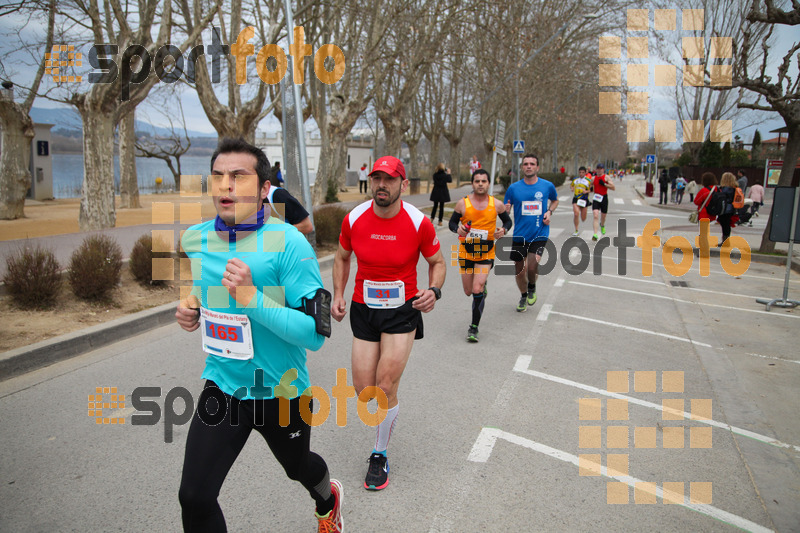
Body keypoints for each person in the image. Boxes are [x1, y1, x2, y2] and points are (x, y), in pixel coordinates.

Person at [174, 138, 343, 533]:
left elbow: (315, 335)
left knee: (298, 467)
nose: (225, 185)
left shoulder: (290, 244)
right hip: (224, 385)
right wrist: (191, 308)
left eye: (238, 176)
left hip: (282, 391)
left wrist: (251, 299)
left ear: (266, 189)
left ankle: (327, 497)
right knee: (194, 496)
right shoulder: (195, 239)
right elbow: (203, 288)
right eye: (218, 176)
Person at [332, 155, 446, 491]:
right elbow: (341, 256)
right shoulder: (354, 218)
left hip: (402, 311)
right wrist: (338, 293)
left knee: (384, 387)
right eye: (377, 178)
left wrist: (434, 291)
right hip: (363, 308)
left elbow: (437, 262)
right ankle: (382, 423)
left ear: (402, 184)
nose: (382, 185)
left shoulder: (417, 222)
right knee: (364, 390)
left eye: (390, 179)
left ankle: (379, 454)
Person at [449, 169, 513, 342]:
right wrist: (458, 229)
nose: (480, 184)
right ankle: (481, 288)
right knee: (468, 291)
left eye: (483, 181)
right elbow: (452, 223)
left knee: (476, 289)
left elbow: (508, 221)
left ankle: (474, 327)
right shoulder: (463, 204)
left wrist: (503, 230)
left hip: (486, 252)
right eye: (477, 181)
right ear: (472, 184)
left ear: (488, 184)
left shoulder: (496, 204)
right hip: (466, 252)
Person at [503, 153, 559, 312]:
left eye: (532, 164)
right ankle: (523, 295)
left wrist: (549, 212)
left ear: (537, 167)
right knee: (520, 271)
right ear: (522, 167)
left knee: (532, 266)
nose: (528, 166)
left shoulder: (547, 186)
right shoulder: (513, 188)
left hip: (539, 233)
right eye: (526, 164)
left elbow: (555, 200)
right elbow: (505, 208)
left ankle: (532, 286)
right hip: (520, 235)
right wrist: (505, 210)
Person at [591, 163, 615, 241]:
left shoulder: (606, 177)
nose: (599, 170)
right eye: (598, 168)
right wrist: (590, 189)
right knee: (595, 215)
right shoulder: (593, 178)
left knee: (603, 216)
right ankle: (595, 233)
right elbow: (590, 186)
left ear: (603, 169)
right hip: (596, 198)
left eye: (601, 168)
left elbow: (613, 188)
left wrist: (604, 184)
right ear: (596, 169)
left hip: (604, 197)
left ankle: (602, 225)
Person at [694, 172, 719, 249]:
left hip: (704, 214)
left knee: (703, 233)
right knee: (706, 231)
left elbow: (696, 201)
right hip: (713, 213)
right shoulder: (717, 189)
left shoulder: (704, 190)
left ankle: (703, 248)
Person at [718, 172, 741, 246]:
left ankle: (725, 241)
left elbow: (723, 198)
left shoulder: (726, 189)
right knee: (726, 224)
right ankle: (725, 240)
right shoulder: (734, 188)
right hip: (731, 208)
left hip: (725, 208)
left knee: (725, 224)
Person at [570, 166, 592, 236]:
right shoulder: (575, 180)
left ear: (585, 173)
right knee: (576, 214)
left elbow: (592, 190)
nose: (581, 174)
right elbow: (571, 185)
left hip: (584, 199)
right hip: (576, 198)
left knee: (583, 218)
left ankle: (583, 215)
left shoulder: (588, 181)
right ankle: (576, 230)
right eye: (580, 172)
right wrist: (572, 188)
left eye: (583, 172)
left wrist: (586, 191)